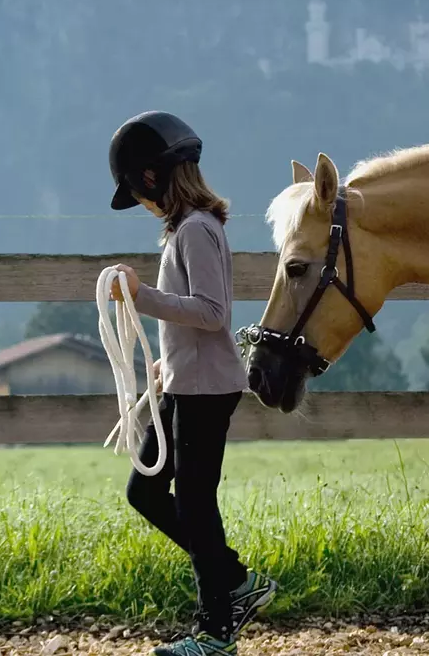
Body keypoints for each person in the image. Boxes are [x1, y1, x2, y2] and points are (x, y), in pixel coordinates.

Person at [106, 110, 276, 656]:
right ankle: (235, 583)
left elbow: (212, 312)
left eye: (140, 193)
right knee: (145, 491)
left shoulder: (198, 230)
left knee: (196, 503)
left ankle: (217, 630)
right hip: (187, 381)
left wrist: (139, 296)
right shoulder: (188, 230)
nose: (143, 206)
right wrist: (165, 361)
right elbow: (192, 324)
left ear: (152, 178)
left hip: (206, 390)